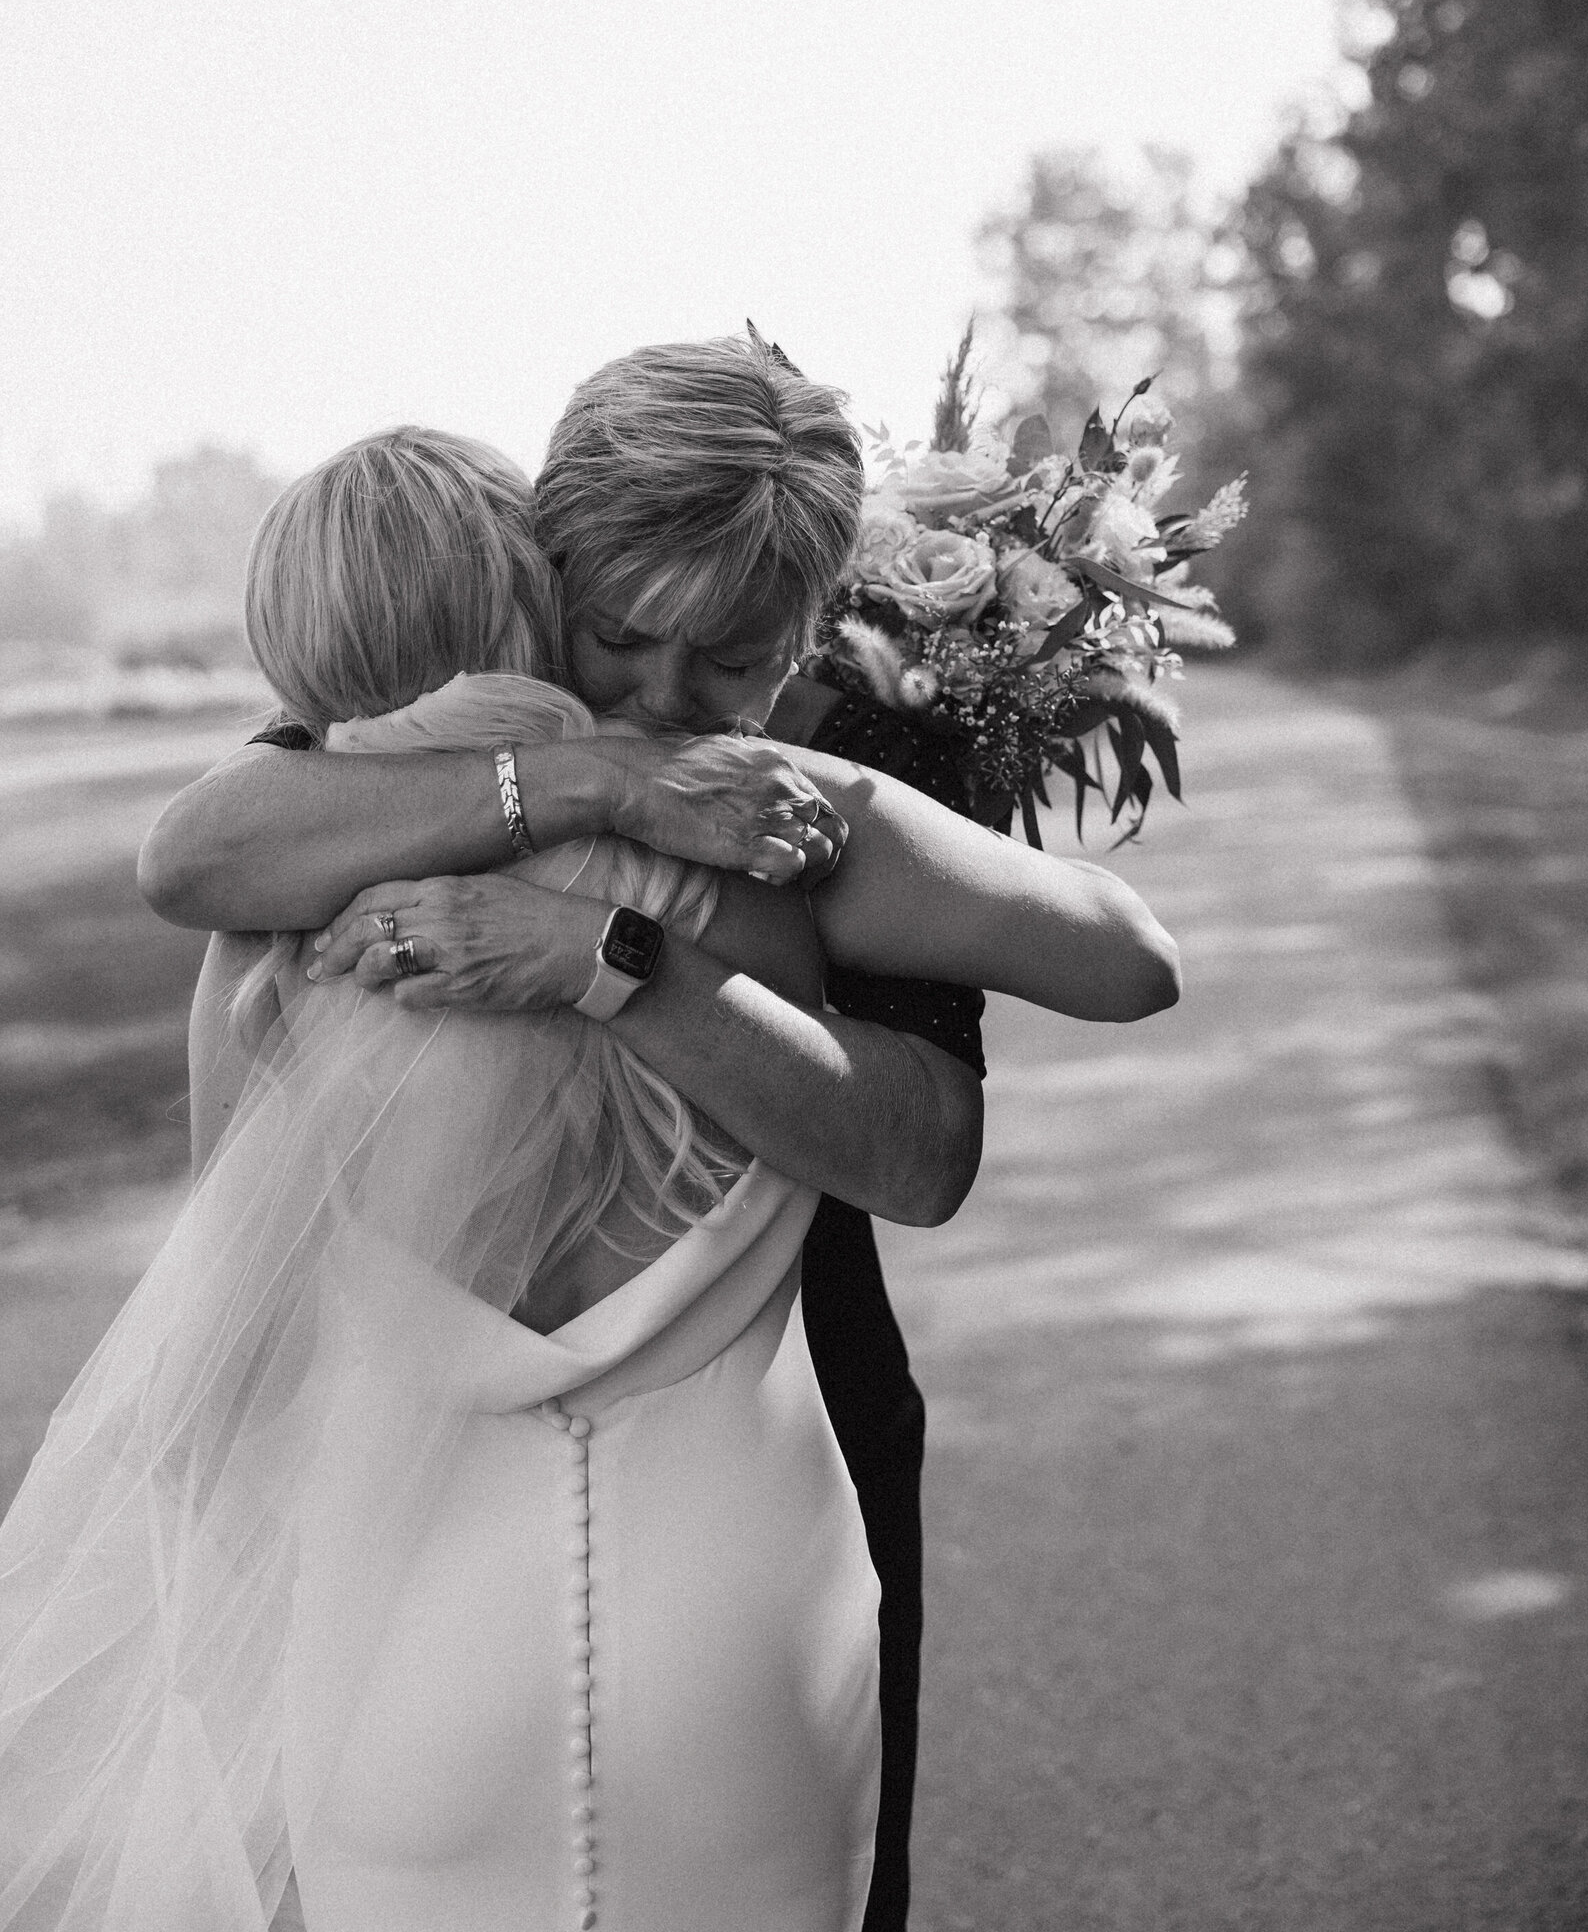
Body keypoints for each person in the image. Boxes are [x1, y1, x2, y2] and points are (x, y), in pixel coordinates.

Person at [141, 342, 1180, 1927]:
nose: (666, 698)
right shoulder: (380, 790)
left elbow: (947, 1130)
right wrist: (599, 784)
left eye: (730, 663)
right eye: (621, 637)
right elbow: (189, 853)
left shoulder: (810, 790)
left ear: (813, 629)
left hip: (724, 1426)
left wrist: (607, 957)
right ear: (542, 568)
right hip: (561, 1525)